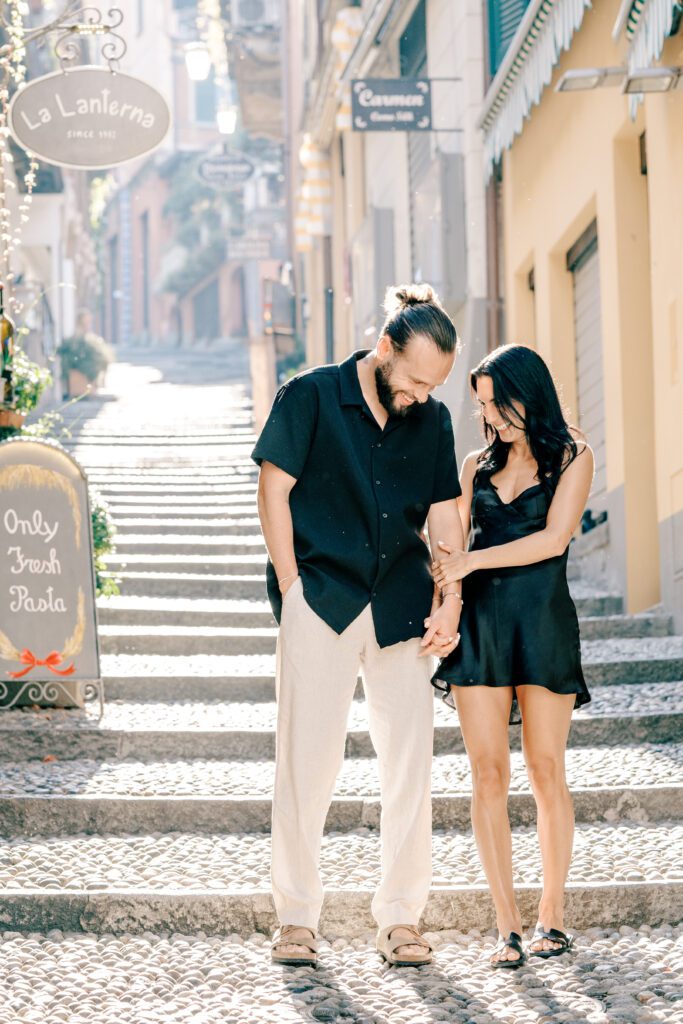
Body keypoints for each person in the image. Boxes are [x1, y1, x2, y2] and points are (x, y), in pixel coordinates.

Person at [252, 284, 465, 968]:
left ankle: (400, 918)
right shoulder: (310, 394)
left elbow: (445, 516)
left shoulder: (430, 419)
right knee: (307, 763)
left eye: (433, 385)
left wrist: (450, 600)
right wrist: (291, 589)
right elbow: (272, 489)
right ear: (383, 350)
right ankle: (295, 919)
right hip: (322, 597)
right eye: (412, 379)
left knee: (408, 765)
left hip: (402, 605)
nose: (420, 395)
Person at [431, 344, 593, 970]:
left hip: (543, 623)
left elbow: (554, 540)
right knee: (487, 773)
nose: (490, 416)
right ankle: (507, 925)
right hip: (482, 629)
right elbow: (449, 544)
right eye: (481, 405)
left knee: (546, 767)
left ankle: (552, 915)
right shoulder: (473, 465)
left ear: (530, 393)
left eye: (498, 402)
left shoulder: (573, 455)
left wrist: (472, 559)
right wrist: (449, 596)